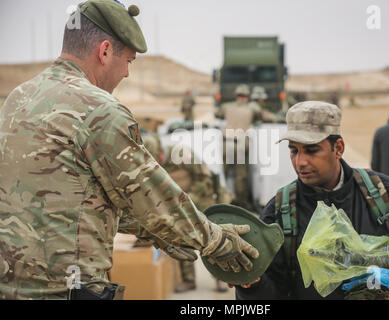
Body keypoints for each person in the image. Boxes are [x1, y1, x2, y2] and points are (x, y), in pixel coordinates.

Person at [0, 0, 258, 300]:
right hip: (64, 291)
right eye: (129, 62)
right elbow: (152, 194)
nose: (126, 75)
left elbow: (69, 197)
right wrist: (215, 240)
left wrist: (155, 231)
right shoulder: (99, 110)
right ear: (105, 50)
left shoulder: (18, 99)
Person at [235, 101, 389, 300]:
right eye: (294, 150)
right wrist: (251, 283)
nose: (300, 162)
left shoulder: (382, 193)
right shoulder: (280, 210)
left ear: (338, 148)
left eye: (311, 150)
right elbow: (272, 291)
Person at [142, 133, 233, 293]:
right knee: (181, 238)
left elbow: (205, 177)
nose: (157, 162)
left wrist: (191, 199)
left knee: (209, 238)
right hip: (177, 203)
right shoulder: (149, 163)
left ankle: (220, 278)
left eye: (158, 158)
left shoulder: (181, 154)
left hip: (201, 197)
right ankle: (188, 279)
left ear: (161, 151)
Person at [216, 84, 262, 212]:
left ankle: (219, 201)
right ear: (247, 97)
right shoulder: (252, 108)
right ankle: (242, 205)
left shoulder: (226, 106)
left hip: (226, 143)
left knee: (223, 175)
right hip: (241, 144)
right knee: (240, 176)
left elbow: (217, 114)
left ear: (236, 95)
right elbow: (260, 117)